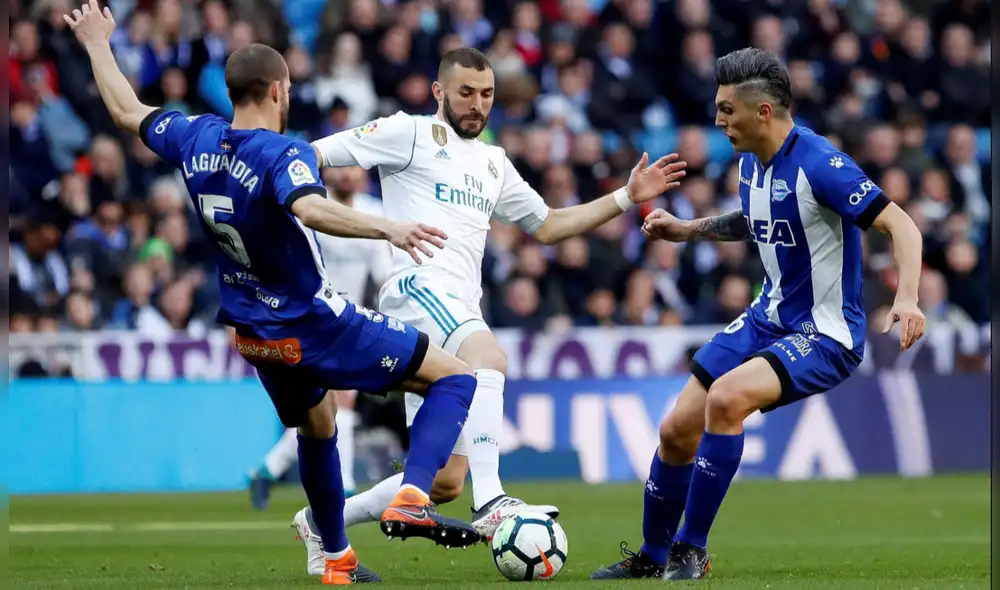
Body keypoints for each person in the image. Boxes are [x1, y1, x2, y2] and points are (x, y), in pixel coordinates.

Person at [64, 1, 482, 585]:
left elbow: (126, 109)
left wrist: (96, 44)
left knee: (318, 427)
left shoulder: (194, 137)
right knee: (456, 376)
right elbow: (309, 207)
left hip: (252, 332)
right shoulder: (280, 153)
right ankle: (413, 494)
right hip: (313, 321)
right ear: (279, 90)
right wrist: (389, 226)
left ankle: (335, 558)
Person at [287, 46, 687, 576]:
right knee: (489, 360)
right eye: (466, 93)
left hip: (454, 303)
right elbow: (311, 156)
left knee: (444, 479)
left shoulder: (493, 163)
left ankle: (320, 520)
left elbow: (547, 226)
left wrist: (624, 196)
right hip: (418, 287)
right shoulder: (407, 133)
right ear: (439, 92)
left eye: (487, 95)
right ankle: (492, 500)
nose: (478, 105)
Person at [589, 47, 926, 581]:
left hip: (824, 331)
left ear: (763, 112)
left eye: (726, 109)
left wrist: (906, 297)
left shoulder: (820, 163)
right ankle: (652, 559)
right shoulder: (750, 163)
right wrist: (686, 230)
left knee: (726, 400)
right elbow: (752, 220)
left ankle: (691, 551)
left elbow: (901, 224)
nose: (718, 120)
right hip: (765, 317)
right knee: (677, 429)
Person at [248, 166, 391, 510]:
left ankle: (270, 470)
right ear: (327, 172)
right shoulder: (307, 206)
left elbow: (384, 275)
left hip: (348, 320)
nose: (347, 175)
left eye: (354, 168)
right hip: (307, 317)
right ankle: (341, 487)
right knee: (330, 406)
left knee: (331, 406)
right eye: (341, 168)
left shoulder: (372, 214)